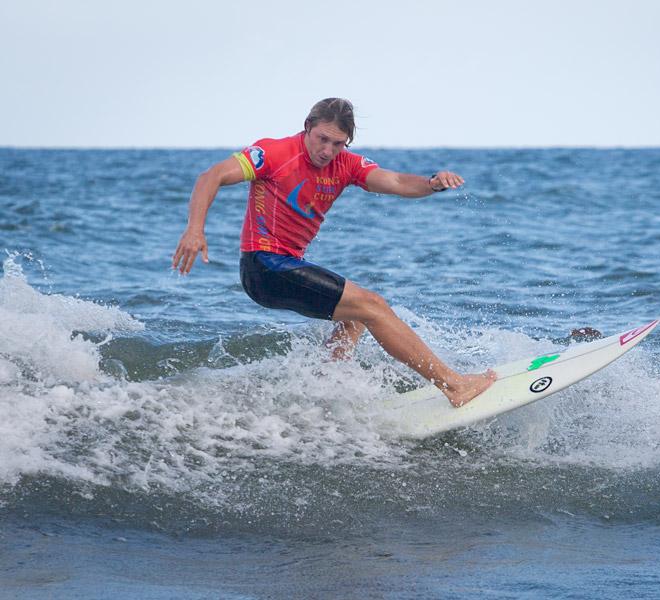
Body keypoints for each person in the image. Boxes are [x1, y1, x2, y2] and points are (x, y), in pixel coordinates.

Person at [172, 98, 496, 407]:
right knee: (373, 305)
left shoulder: (346, 165)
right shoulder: (273, 152)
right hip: (264, 265)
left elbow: (396, 181)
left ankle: (327, 389)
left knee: (356, 317)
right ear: (307, 127)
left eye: (338, 143)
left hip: (284, 266)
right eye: (322, 139)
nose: (327, 151)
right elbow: (210, 176)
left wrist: (432, 183)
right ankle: (454, 385)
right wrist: (195, 229)